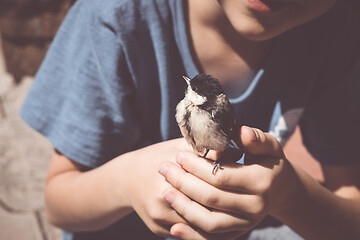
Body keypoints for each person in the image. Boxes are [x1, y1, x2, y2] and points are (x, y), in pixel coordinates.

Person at [20, 0, 360, 239]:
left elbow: (351, 214)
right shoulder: (114, 17)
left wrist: (288, 194)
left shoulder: (338, 32)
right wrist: (127, 180)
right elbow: (57, 205)